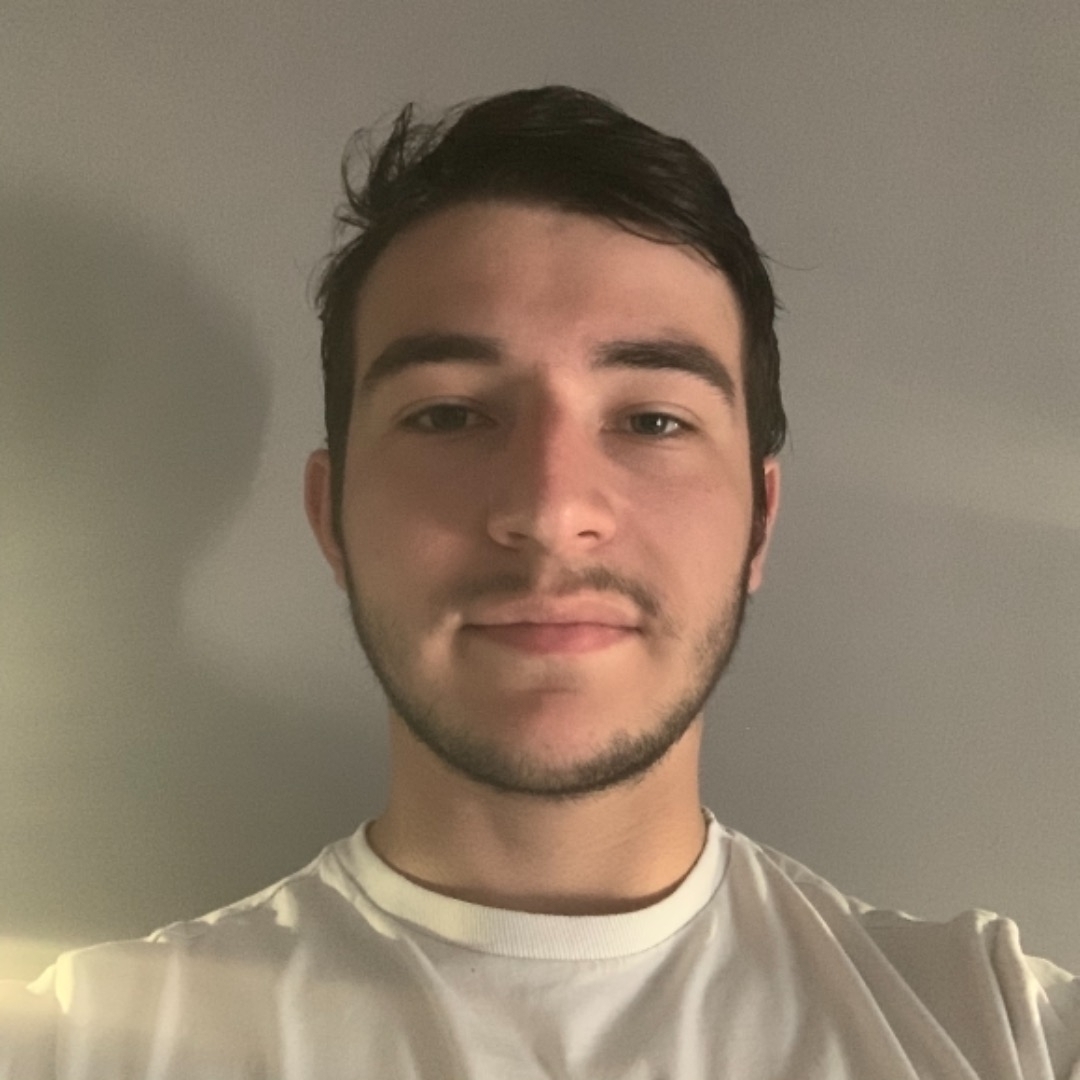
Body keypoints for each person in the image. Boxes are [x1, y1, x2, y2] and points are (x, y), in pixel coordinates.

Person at [2, 85, 1077, 1079]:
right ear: (332, 517)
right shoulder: (79, 1047)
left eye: (652, 419)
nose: (552, 507)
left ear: (760, 519)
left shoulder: (1006, 1033)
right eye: (448, 414)